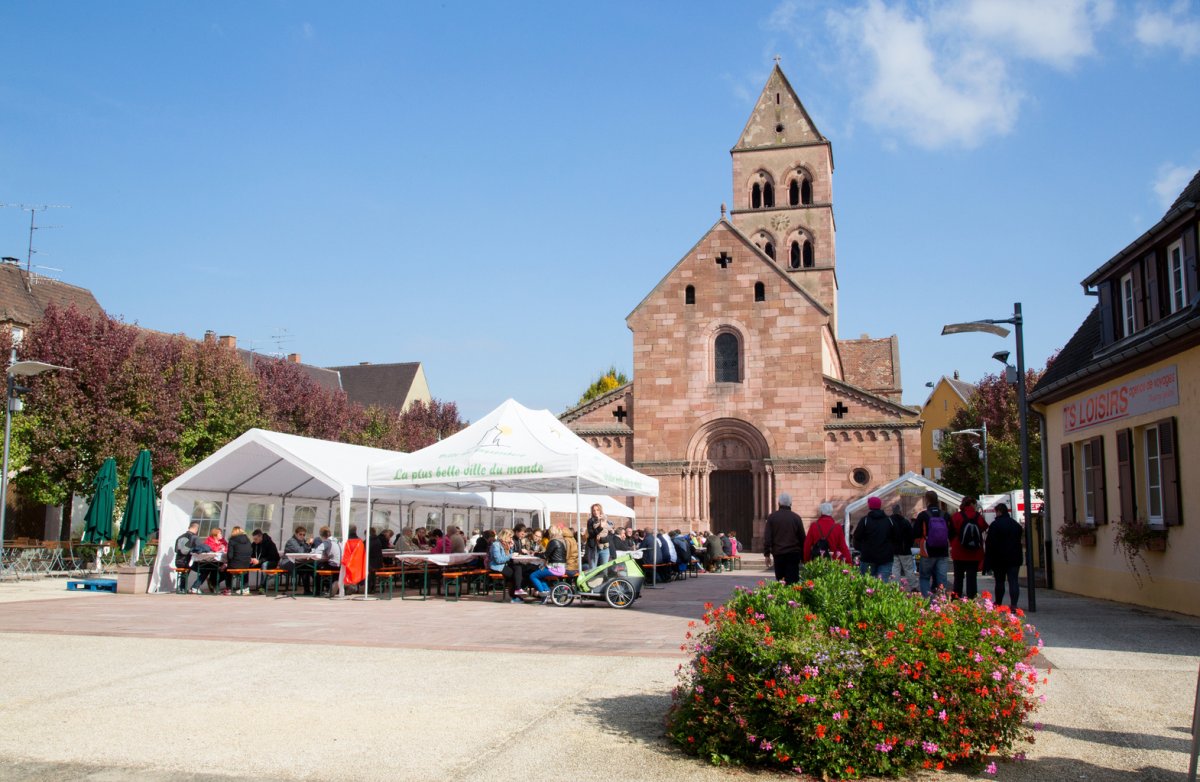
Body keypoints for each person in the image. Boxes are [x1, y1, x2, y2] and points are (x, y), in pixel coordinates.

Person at [983, 502, 1023, 609]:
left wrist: (988, 560)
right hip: (1014, 557)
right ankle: (1014, 605)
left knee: (999, 581)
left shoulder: (995, 525)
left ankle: (998, 603)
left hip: (999, 558)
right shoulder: (1016, 525)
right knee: (1013, 581)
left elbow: (989, 543)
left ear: (999, 512)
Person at [949, 497, 988, 598]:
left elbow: (950, 533)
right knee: (972, 578)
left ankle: (956, 600)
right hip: (974, 552)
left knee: (958, 578)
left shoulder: (956, 516)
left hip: (958, 551)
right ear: (972, 504)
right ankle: (971, 600)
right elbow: (984, 528)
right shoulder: (978, 516)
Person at [912, 492, 950, 597]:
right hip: (943, 551)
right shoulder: (945, 515)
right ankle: (941, 600)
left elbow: (915, 533)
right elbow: (951, 532)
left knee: (924, 577)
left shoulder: (923, 515)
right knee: (942, 578)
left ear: (927, 500)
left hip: (927, 551)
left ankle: (928, 600)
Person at [762, 493, 805, 584]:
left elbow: (768, 538)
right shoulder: (796, 518)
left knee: (781, 581)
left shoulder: (772, 517)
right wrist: (803, 556)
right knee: (793, 582)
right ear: (791, 504)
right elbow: (802, 538)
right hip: (793, 554)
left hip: (779, 554)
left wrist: (767, 554)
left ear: (778, 503)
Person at [853, 497, 895, 582]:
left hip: (868, 556)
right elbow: (895, 537)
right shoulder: (889, 520)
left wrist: (861, 548)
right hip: (885, 557)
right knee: (882, 583)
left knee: (867, 583)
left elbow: (857, 536)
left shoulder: (865, 520)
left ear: (869, 506)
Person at [528, 526, 567, 597]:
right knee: (540, 575)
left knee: (533, 575)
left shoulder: (553, 541)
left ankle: (542, 593)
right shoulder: (561, 541)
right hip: (560, 567)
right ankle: (547, 591)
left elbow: (545, 555)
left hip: (554, 568)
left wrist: (535, 554)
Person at [489, 529, 526, 603]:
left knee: (518, 568)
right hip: (497, 566)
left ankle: (517, 590)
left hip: (505, 565)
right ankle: (515, 596)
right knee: (514, 575)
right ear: (505, 536)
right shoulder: (496, 545)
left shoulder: (506, 544)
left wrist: (511, 547)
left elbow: (508, 556)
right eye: (510, 537)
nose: (511, 539)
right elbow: (498, 560)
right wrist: (511, 555)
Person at [889, 503, 917, 589]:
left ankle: (895, 587)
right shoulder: (905, 522)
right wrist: (909, 546)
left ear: (893, 511)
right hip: (905, 550)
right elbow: (911, 536)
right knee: (909, 570)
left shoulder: (889, 521)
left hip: (893, 550)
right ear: (900, 511)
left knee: (895, 570)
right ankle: (914, 587)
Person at [281, 526, 314, 595]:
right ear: (296, 534)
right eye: (300, 534)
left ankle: (318, 589)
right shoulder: (292, 541)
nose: (302, 536)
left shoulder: (303, 541)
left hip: (298, 562)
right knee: (305, 568)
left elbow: (307, 551)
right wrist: (307, 544)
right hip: (287, 562)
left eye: (304, 535)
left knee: (312, 567)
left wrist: (310, 545)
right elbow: (300, 551)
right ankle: (307, 591)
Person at [222, 526, 253, 595]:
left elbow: (230, 556)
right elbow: (251, 551)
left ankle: (229, 588)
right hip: (247, 564)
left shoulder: (232, 540)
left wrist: (227, 563)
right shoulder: (248, 540)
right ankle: (245, 588)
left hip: (235, 564)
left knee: (227, 570)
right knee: (245, 570)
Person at [585, 504, 611, 570]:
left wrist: (602, 539)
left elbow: (610, 534)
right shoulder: (590, 521)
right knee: (593, 570)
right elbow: (591, 534)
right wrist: (600, 527)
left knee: (604, 569)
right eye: (594, 510)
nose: (596, 512)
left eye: (597, 510)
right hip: (594, 548)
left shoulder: (605, 520)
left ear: (600, 510)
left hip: (604, 547)